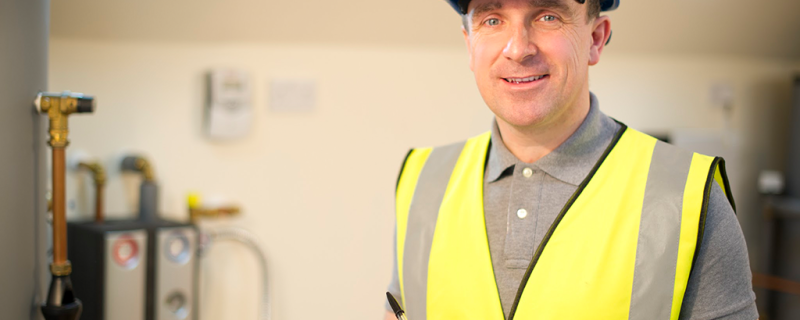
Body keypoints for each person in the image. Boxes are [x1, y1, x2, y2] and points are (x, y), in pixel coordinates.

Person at [384, 0, 759, 319]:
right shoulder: (422, 182)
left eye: (548, 16)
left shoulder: (687, 198)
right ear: (469, 44)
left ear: (595, 39)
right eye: (492, 19)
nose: (517, 48)